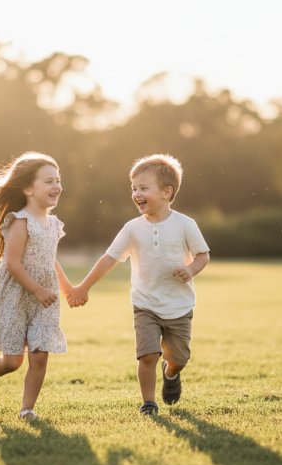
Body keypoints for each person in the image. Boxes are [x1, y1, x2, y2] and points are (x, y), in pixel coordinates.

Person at [68, 154, 209, 415]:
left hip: (179, 305)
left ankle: (171, 374)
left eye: (144, 188)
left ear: (167, 192)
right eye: (134, 188)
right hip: (145, 304)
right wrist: (84, 286)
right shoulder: (132, 228)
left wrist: (190, 269)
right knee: (147, 355)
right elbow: (109, 259)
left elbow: (203, 255)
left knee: (178, 359)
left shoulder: (185, 224)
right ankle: (148, 403)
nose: (136, 194)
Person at [0, 152, 74, 421]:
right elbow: (12, 263)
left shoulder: (54, 224)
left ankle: (27, 410)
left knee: (39, 355)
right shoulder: (20, 221)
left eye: (58, 180)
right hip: (15, 294)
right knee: (13, 361)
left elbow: (50, 260)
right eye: (48, 181)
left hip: (45, 299)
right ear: (27, 188)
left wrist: (67, 288)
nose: (56, 186)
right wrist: (36, 289)